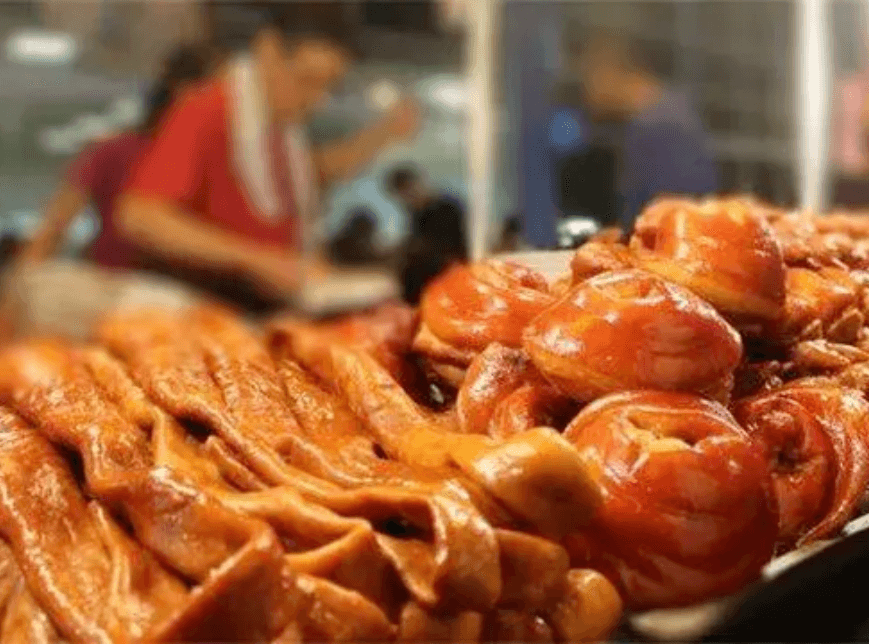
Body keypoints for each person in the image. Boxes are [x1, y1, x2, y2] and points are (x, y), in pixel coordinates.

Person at [118, 4, 420, 313]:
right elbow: (140, 216)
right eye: (307, 80)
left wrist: (384, 134)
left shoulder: (283, 133)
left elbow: (319, 172)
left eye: (328, 86)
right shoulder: (207, 110)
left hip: (265, 312)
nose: (316, 99)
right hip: (198, 313)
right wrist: (257, 260)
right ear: (268, 50)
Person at [0, 45, 212, 338]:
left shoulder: (212, 168)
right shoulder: (115, 151)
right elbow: (53, 229)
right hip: (109, 296)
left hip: (184, 307)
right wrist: (13, 302)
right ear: (181, 92)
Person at [571, 30, 719, 232]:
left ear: (607, 70)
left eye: (587, 76)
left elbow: (666, 222)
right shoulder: (668, 116)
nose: (584, 92)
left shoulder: (659, 128)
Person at [385, 165, 466, 303]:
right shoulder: (417, 213)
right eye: (402, 195)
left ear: (417, 184)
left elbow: (451, 247)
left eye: (408, 190)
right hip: (426, 274)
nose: (407, 198)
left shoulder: (446, 207)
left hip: (446, 270)